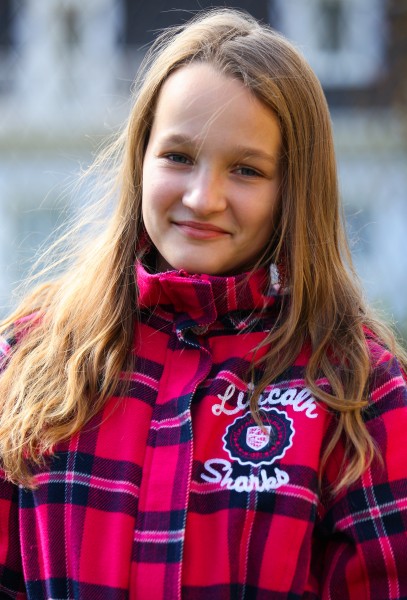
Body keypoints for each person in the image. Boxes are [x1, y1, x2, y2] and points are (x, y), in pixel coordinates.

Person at [0, 8, 406, 599]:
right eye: (178, 157)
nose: (203, 196)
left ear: (293, 190)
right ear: (139, 160)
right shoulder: (32, 362)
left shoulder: (354, 390)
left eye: (246, 170)